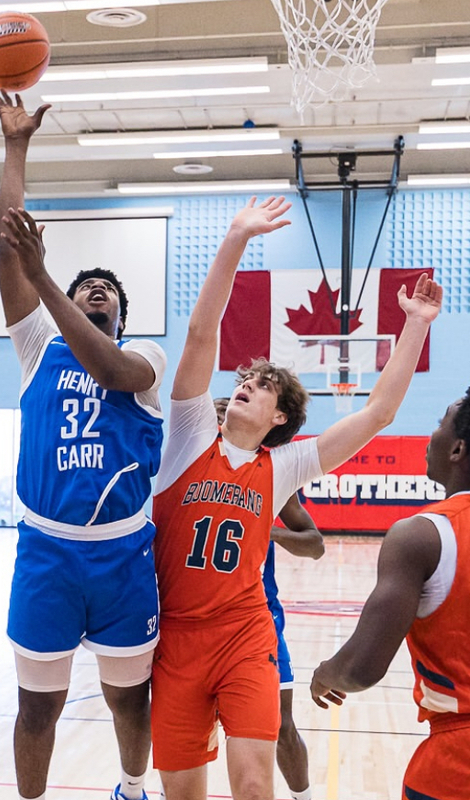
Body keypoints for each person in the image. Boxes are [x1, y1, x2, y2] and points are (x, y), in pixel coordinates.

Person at [151, 196, 442, 800]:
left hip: (244, 633)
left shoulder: (282, 466)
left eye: (258, 387)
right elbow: (203, 331)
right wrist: (234, 236)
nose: (243, 388)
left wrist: (414, 324)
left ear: (279, 414)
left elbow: (379, 412)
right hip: (175, 636)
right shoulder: (186, 435)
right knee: (182, 793)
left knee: (255, 785)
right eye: (242, 382)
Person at [0, 87, 166, 800]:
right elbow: (10, 242)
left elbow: (109, 367)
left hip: (123, 553)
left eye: (104, 291)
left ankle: (130, 785)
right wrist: (16, 147)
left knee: (128, 698)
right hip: (47, 552)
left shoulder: (144, 358)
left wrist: (48, 279)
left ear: (121, 313)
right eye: (85, 284)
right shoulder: (37, 350)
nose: (94, 290)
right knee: (38, 706)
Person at [310, 390, 470, 799]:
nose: (429, 435)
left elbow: (361, 669)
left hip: (457, 762)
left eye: (439, 422)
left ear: (457, 449)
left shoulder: (423, 535)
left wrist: (326, 674)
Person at [215, 397, 324, 800]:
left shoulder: (271, 472)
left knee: (281, 724)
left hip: (257, 620)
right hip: (194, 619)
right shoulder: (186, 467)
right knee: (191, 728)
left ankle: (302, 797)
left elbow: (315, 544)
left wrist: (269, 529)